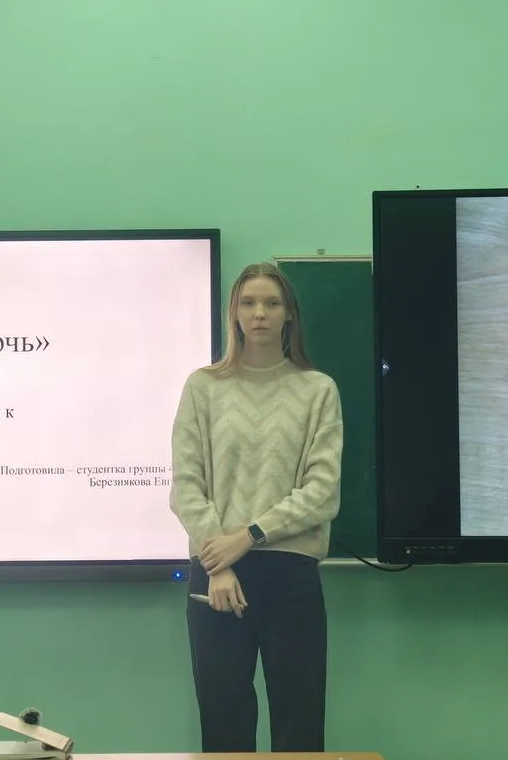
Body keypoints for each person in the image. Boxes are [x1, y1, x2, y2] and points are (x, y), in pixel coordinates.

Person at [169, 261, 343, 753]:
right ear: (234, 313)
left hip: (290, 575)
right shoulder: (203, 387)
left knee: (299, 726)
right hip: (216, 578)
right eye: (248, 303)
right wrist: (219, 563)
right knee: (224, 725)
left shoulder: (317, 390)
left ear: (289, 314)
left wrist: (248, 536)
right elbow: (186, 485)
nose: (259, 313)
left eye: (271, 303)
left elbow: (322, 490)